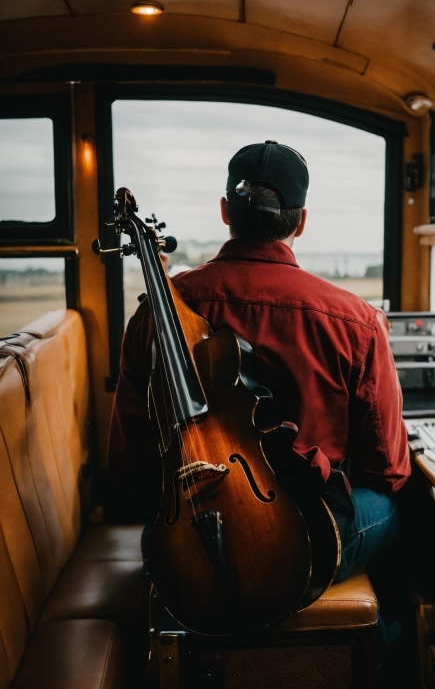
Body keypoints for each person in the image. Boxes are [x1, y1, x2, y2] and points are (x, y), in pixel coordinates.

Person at [108, 140, 410, 583]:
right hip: (303, 541)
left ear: (226, 211)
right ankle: (381, 642)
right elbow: (387, 471)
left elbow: (128, 465)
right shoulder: (357, 321)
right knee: (395, 506)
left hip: (188, 537)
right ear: (301, 222)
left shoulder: (157, 311)